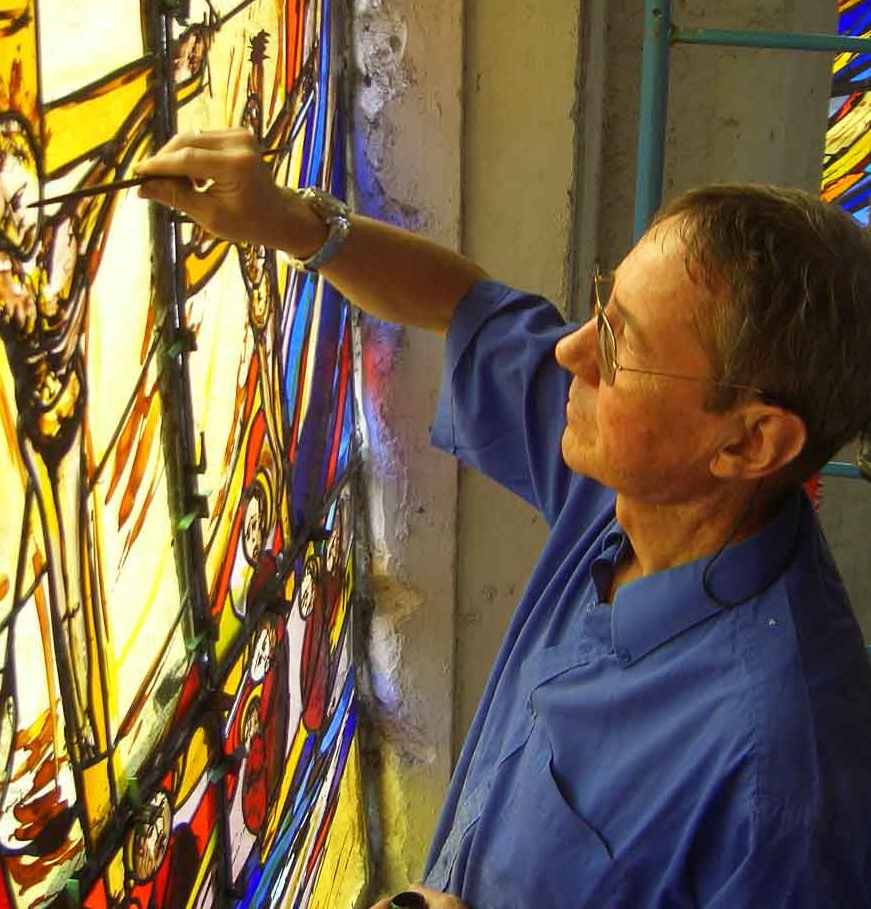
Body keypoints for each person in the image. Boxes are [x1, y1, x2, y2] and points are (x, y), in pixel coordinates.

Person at [136, 127, 871, 909]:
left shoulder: (784, 779)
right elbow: (461, 303)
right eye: (602, 306)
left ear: (749, 440)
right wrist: (285, 220)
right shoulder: (638, 482)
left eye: (620, 346)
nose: (570, 354)